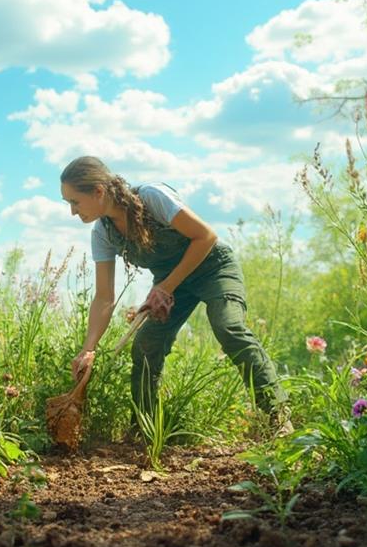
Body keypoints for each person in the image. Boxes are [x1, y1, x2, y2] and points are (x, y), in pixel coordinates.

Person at [60, 156, 279, 425]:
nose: (72, 211)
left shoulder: (152, 198)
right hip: (171, 284)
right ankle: (145, 429)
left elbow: (206, 237)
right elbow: (105, 297)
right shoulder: (102, 233)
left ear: (98, 191)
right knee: (146, 344)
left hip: (213, 267)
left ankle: (278, 416)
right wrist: (88, 349)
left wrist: (166, 287)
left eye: (74, 201)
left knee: (228, 327)